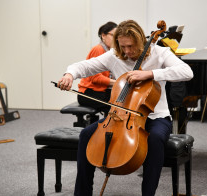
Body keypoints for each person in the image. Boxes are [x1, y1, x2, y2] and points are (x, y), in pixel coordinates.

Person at [58, 20, 193, 196]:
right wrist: (69, 74)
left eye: (130, 46)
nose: (127, 52)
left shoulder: (160, 53)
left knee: (155, 139)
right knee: (86, 135)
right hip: (120, 116)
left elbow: (187, 72)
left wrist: (151, 73)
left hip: (156, 117)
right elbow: (84, 66)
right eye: (123, 47)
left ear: (140, 41)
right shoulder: (115, 55)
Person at [77, 21, 117, 115]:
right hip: (88, 93)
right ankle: (105, 128)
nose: (116, 40)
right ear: (103, 35)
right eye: (113, 36)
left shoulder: (110, 52)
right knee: (113, 106)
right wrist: (117, 83)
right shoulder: (98, 49)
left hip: (100, 91)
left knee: (120, 101)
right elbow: (96, 78)